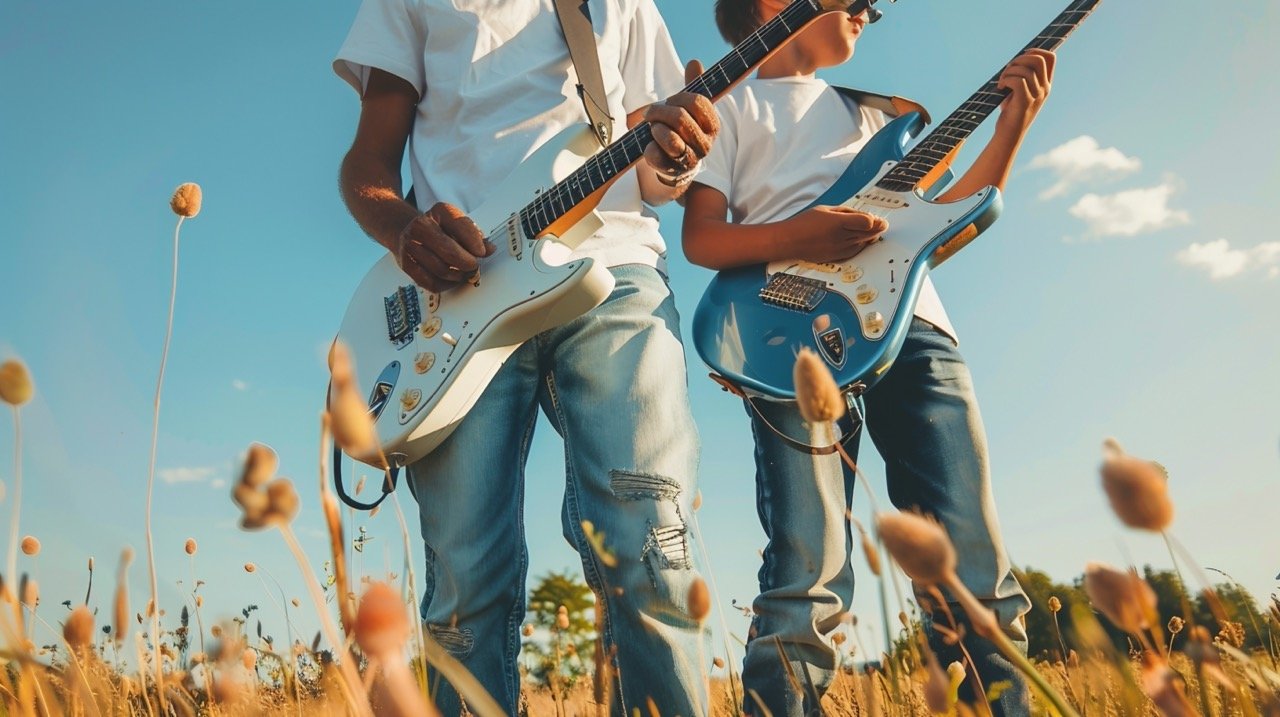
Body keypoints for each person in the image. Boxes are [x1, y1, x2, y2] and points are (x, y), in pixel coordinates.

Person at [333, 0, 720, 713]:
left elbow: (659, 176)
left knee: (651, 548)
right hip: (457, 299)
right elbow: (366, 164)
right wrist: (404, 231)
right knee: (463, 590)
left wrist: (676, 156)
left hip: (614, 268)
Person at [682, 1, 1056, 714]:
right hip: (786, 339)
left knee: (972, 559)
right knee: (809, 565)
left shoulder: (884, 119)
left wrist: (1013, 126)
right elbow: (701, 240)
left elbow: (942, 231)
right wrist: (801, 235)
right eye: (854, 3)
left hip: (916, 333)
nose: (868, 11)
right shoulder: (728, 109)